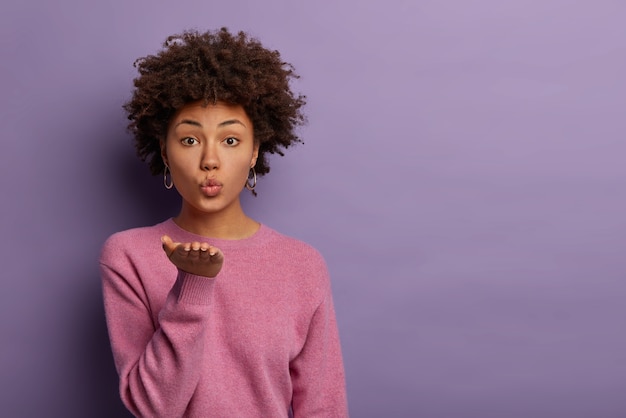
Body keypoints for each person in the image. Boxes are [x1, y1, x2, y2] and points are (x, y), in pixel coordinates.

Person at [99, 28, 348, 417]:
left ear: (254, 152)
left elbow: (323, 407)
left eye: (230, 140)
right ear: (164, 151)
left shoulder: (302, 263)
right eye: (190, 140)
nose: (210, 160)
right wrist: (192, 286)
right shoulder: (129, 255)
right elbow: (153, 407)